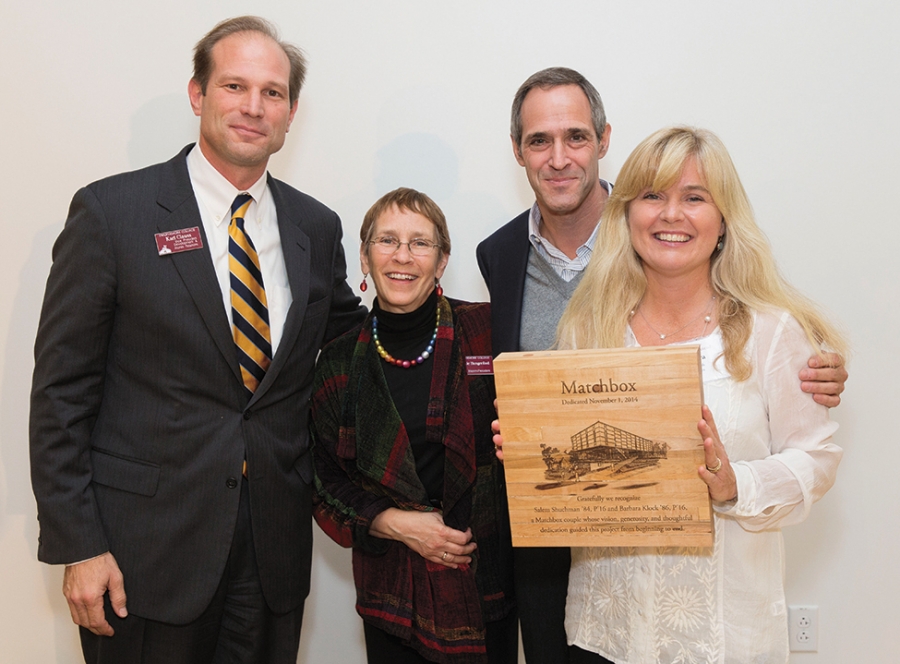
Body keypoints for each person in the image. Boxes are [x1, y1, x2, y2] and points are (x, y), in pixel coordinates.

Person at [475, 67, 849, 664]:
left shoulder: (773, 331)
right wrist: (527, 443)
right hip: (604, 626)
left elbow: (818, 457)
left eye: (695, 198)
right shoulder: (587, 325)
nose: (671, 214)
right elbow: (557, 422)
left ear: (724, 218)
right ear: (628, 214)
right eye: (653, 197)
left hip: (723, 630)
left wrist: (737, 486)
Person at [29, 16, 364, 664]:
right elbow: (60, 394)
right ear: (197, 94)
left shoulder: (314, 227)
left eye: (272, 92)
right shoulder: (112, 213)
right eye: (235, 85)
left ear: (292, 111)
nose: (252, 106)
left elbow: (350, 338)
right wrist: (78, 544)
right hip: (139, 558)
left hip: (271, 558)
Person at [311, 188, 516, 664]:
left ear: (442, 261)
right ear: (364, 258)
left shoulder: (487, 330)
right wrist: (394, 524)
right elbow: (323, 480)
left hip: (487, 581)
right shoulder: (339, 358)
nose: (403, 256)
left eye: (420, 243)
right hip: (392, 592)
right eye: (387, 240)